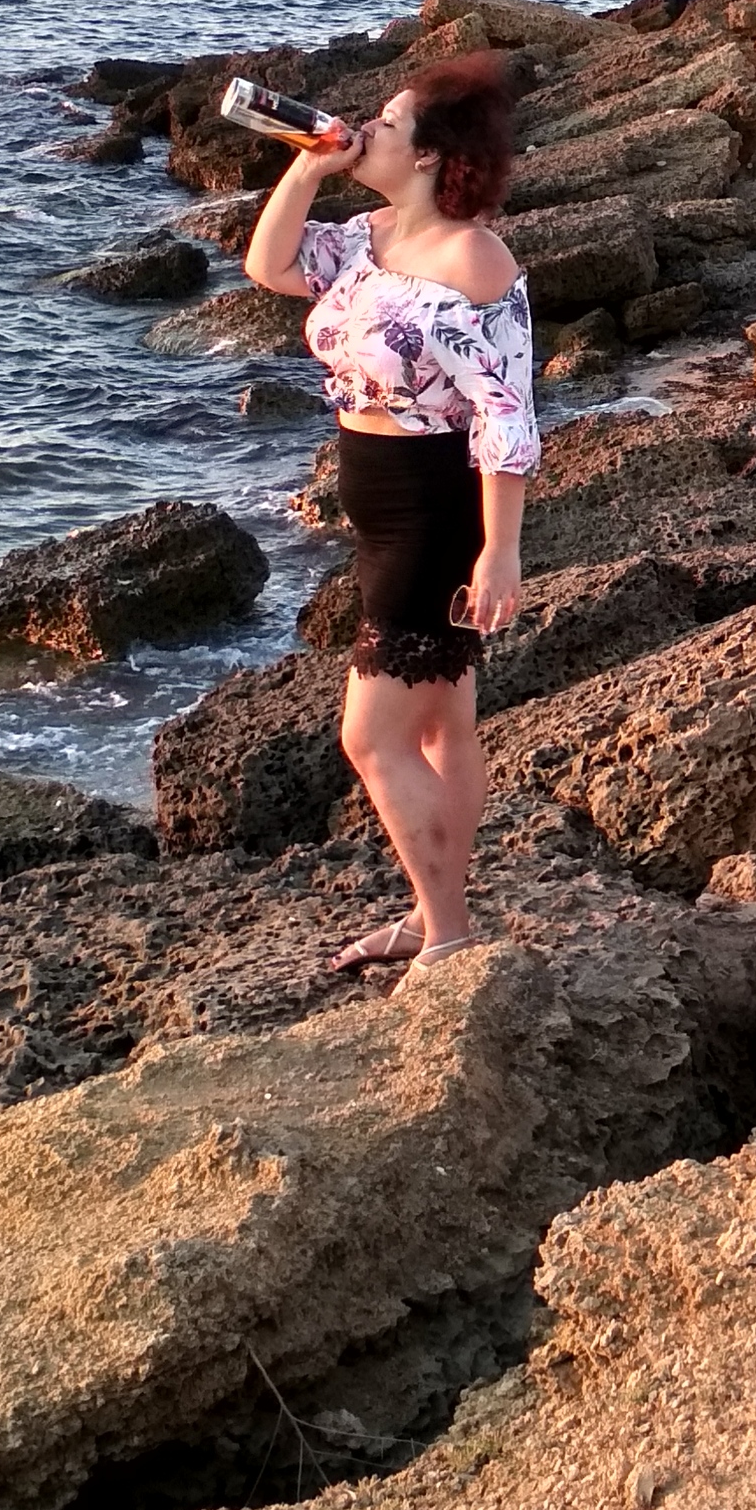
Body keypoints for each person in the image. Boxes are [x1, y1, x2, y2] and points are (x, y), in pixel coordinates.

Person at [244, 57, 538, 980]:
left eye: (389, 121)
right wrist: (308, 162)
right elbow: (269, 266)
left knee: (369, 736)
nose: (367, 127)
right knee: (443, 722)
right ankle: (431, 911)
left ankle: (447, 936)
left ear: (429, 156)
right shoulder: (367, 235)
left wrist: (500, 550)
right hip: (374, 498)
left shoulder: (473, 257)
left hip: (434, 510)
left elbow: (505, 415)